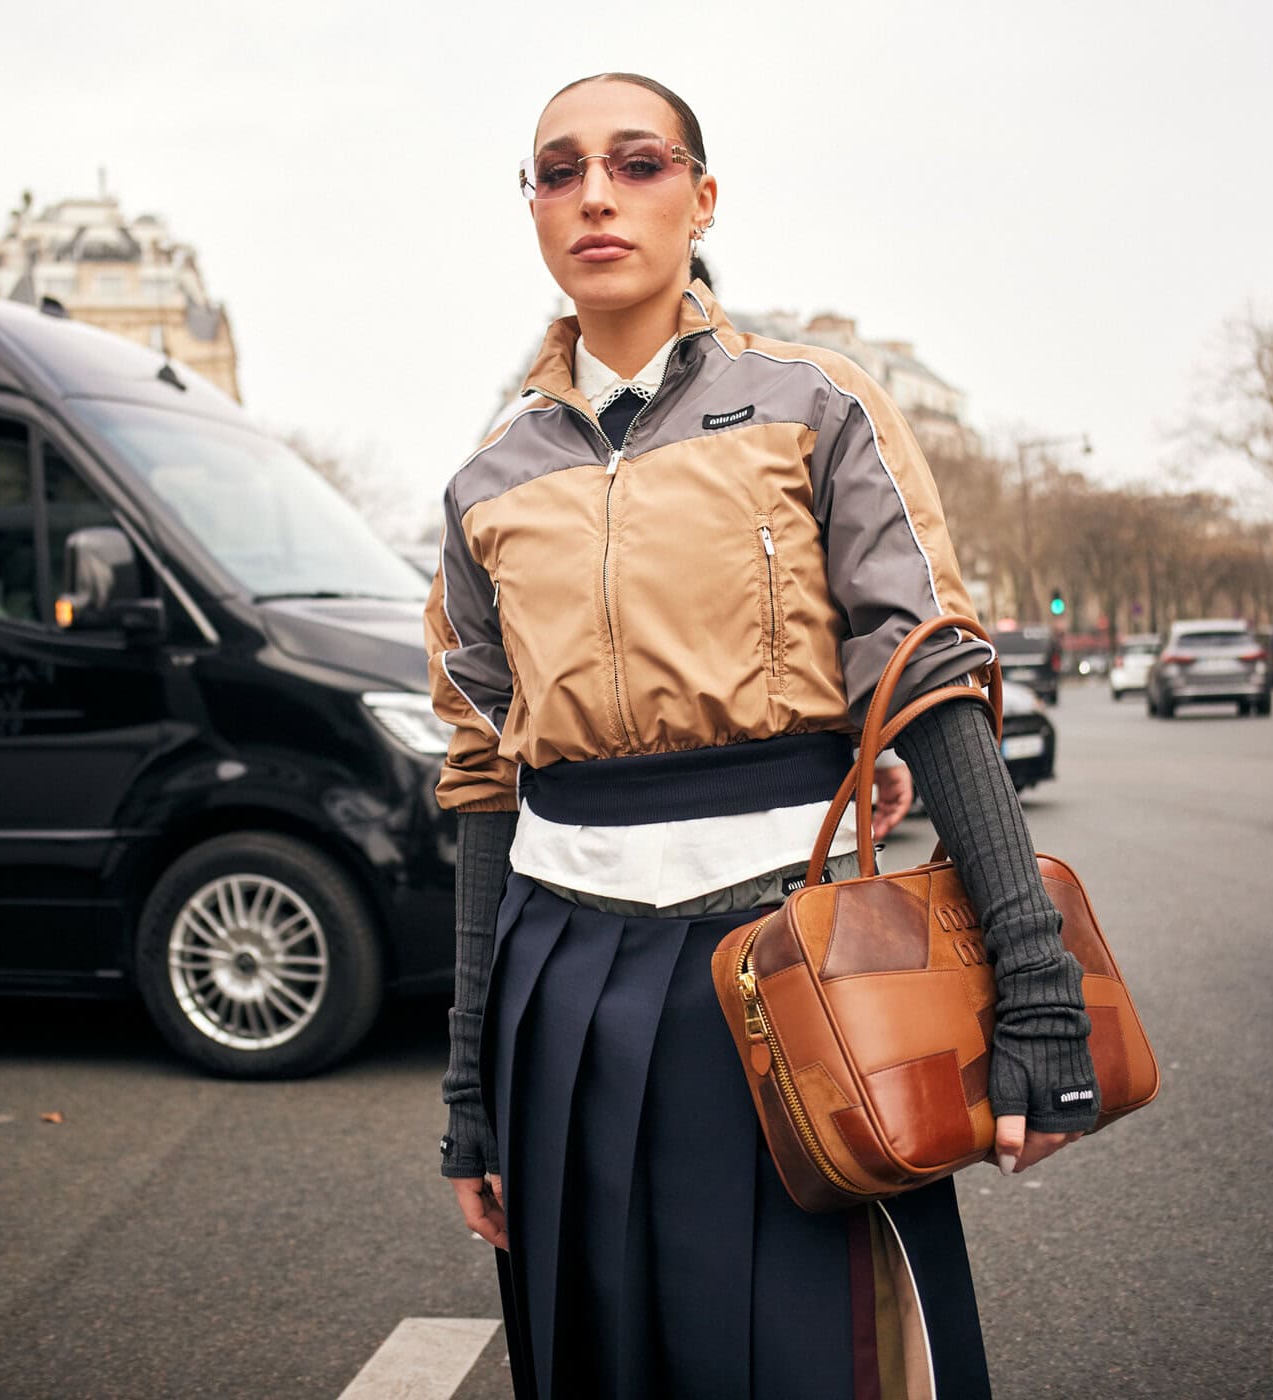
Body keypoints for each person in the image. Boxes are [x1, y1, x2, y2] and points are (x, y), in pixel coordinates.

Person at [426, 72, 1098, 1398]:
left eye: (636, 161)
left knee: (825, 1364)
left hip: (790, 956)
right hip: (557, 972)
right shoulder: (483, 482)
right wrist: (468, 1090)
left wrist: (1039, 991)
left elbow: (928, 675)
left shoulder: (815, 403)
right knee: (600, 1359)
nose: (596, 195)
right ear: (534, 207)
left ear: (702, 195)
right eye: (558, 172)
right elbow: (482, 777)